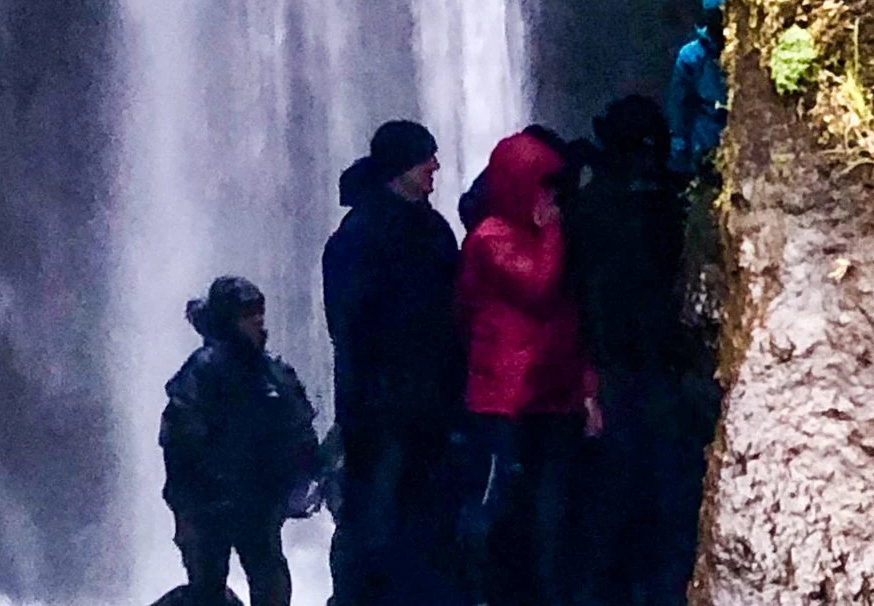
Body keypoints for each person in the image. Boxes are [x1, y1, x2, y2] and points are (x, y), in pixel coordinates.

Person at [322, 118, 462, 605]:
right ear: (399, 166)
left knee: (426, 527)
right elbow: (350, 328)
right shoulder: (359, 237)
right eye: (426, 157)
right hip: (381, 414)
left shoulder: (433, 230)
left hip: (431, 409)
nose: (435, 167)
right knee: (375, 526)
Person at [453, 131, 597, 606]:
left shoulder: (529, 235)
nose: (552, 196)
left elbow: (571, 316)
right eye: (544, 185)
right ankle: (487, 593)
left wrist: (587, 389)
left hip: (552, 393)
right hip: (506, 398)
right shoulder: (489, 238)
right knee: (499, 505)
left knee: (551, 510)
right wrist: (554, 229)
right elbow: (538, 285)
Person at [566, 95, 695, 606]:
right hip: (644, 366)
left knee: (620, 501)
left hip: (621, 366)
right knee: (653, 499)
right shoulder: (661, 204)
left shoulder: (592, 209)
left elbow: (576, 289)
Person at [159, 276, 323, 606]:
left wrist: (303, 477)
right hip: (210, 503)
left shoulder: (270, 372)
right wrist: (187, 506)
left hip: (257, 501)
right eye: (248, 312)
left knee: (271, 583)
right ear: (228, 319)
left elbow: (300, 427)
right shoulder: (202, 371)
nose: (258, 320)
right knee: (207, 590)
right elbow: (177, 440)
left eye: (259, 311)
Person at [668, 0, 729, 180]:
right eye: (715, 15)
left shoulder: (742, 48)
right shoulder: (691, 54)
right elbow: (679, 100)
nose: (720, 20)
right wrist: (678, 138)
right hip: (707, 128)